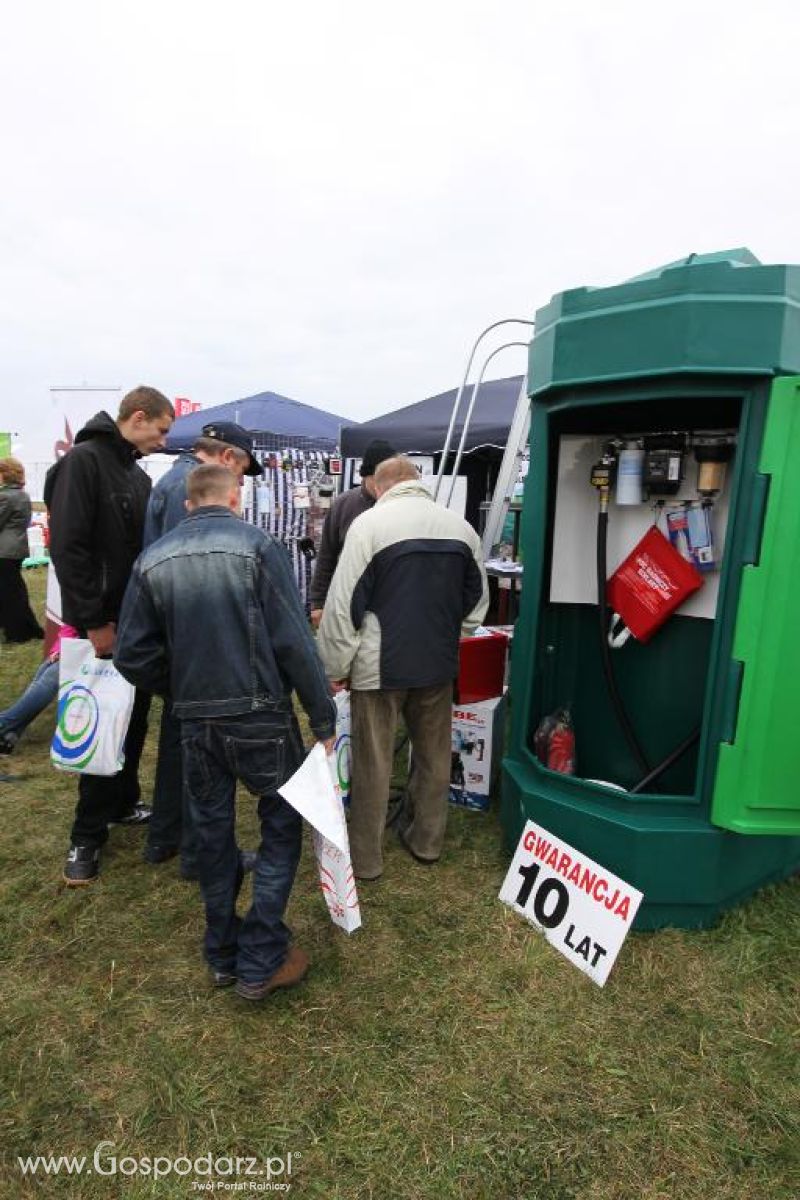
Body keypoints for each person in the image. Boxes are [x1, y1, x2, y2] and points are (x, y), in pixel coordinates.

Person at [114, 464, 336, 1000]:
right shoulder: (257, 548)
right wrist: (323, 718)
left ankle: (222, 953)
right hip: (259, 714)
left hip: (196, 720)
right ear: (235, 498)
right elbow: (294, 642)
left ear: (188, 503)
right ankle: (259, 957)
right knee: (280, 826)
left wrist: (181, 689)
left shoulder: (153, 558)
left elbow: (131, 654)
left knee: (212, 833)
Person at [318, 455, 489, 880]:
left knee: (372, 763)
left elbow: (343, 607)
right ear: (419, 482)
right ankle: (427, 842)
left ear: (379, 486)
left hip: (379, 667)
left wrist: (335, 666)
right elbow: (476, 602)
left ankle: (367, 860)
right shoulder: (462, 528)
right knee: (433, 756)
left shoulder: (369, 527)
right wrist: (456, 631)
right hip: (437, 661)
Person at [45, 386, 175, 885]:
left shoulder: (135, 472)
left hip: (135, 621)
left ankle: (122, 802)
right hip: (103, 623)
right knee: (101, 723)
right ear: (138, 418)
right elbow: (70, 547)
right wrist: (95, 619)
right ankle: (86, 836)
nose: (164, 440)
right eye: (161, 429)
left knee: (134, 718)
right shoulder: (84, 463)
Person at [141, 421, 263, 878]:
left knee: (179, 746)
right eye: (244, 472)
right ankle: (199, 852)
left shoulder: (171, 479)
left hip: (176, 644)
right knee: (197, 756)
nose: (242, 487)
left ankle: (166, 837)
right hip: (192, 648)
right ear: (227, 459)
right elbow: (193, 574)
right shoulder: (185, 488)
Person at [308, 438, 395, 627]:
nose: (384, 488)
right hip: (347, 602)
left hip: (390, 604)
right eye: (377, 480)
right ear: (365, 475)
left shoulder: (399, 505)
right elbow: (327, 556)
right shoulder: (343, 505)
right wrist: (318, 603)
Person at [0, 623, 76, 754]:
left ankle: (5, 725)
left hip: (100, 643)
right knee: (45, 670)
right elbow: (71, 622)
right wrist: (59, 649)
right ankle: (9, 733)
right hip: (83, 640)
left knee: (52, 676)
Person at [0, 457, 45, 643]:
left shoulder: (5, 496)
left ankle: (18, 632)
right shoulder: (22, 495)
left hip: (3, 551)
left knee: (9, 593)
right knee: (15, 590)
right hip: (16, 549)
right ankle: (27, 628)